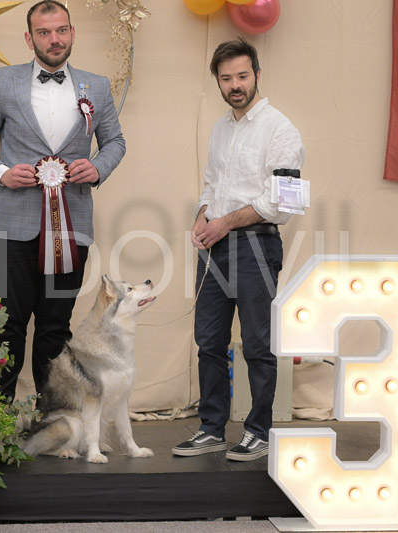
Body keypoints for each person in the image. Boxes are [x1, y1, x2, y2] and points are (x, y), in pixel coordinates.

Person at [0, 0, 126, 399]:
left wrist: (98, 167)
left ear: (72, 33)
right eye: (44, 32)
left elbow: (115, 142)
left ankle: (52, 418)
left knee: (55, 327)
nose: (55, 39)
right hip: (10, 225)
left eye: (61, 30)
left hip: (71, 227)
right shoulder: (4, 81)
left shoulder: (96, 86)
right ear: (29, 38)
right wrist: (1, 172)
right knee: (6, 326)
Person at [172, 38, 304, 461]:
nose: (235, 85)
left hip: (256, 246)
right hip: (215, 247)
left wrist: (225, 222)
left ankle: (258, 432)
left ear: (257, 75)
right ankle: (211, 428)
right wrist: (202, 215)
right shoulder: (219, 128)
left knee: (257, 343)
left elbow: (283, 204)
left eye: (242, 76)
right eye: (226, 78)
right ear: (218, 81)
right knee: (208, 341)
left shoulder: (281, 130)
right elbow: (212, 184)